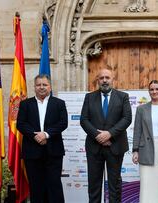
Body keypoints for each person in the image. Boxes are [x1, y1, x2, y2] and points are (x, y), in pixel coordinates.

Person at [80, 68, 132, 203]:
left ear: (112, 79)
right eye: (101, 78)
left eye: (107, 77)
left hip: (115, 146)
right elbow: (84, 120)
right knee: (94, 184)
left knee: (114, 185)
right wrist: (98, 136)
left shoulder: (123, 97)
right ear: (97, 80)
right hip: (94, 147)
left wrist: (109, 134)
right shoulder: (89, 97)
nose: (104, 80)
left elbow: (127, 119)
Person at [17, 74, 68, 203]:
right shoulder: (25, 104)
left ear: (50, 87)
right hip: (32, 152)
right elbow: (21, 124)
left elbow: (63, 123)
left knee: (54, 185)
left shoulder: (59, 104)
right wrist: (36, 136)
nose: (41, 87)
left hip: (54, 151)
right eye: (38, 85)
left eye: (44, 85)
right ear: (34, 87)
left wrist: (45, 134)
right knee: (36, 186)